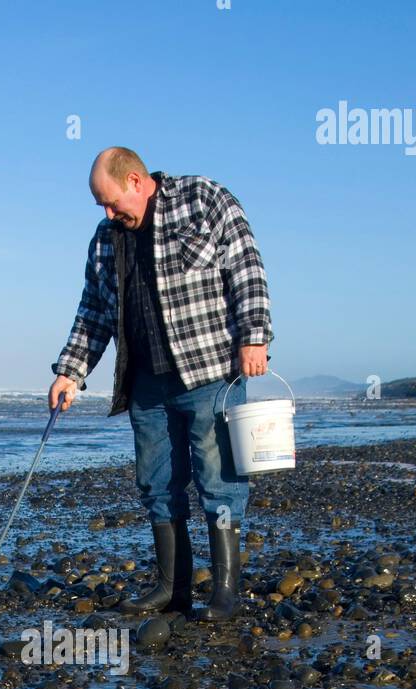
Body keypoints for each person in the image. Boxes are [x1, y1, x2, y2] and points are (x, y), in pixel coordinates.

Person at [49, 146, 273, 621]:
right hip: (145, 380)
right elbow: (93, 311)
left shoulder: (203, 199)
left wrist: (254, 337)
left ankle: (226, 593)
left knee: (220, 481)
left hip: (208, 370)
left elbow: (247, 268)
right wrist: (71, 371)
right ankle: (172, 590)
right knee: (156, 484)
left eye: (111, 202)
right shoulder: (107, 238)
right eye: (101, 207)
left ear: (135, 180)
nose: (108, 214)